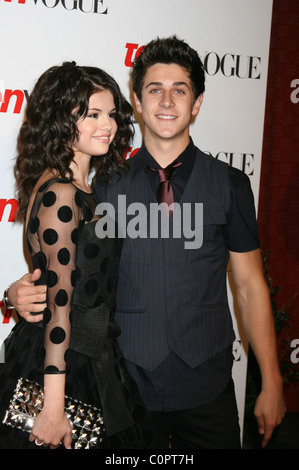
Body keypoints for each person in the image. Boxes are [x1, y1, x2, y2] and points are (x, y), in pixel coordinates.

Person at [5, 36, 285, 449]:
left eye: (180, 90)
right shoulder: (102, 185)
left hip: (206, 385)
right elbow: (68, 265)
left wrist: (272, 380)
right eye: (155, 89)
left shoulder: (230, 184)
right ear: (137, 101)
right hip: (124, 385)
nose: (167, 101)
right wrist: (18, 291)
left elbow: (249, 285)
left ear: (198, 102)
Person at [0, 62, 151, 449]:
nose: (108, 125)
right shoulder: (61, 193)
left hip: (91, 355)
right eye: (92, 114)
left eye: (112, 114)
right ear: (61, 122)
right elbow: (59, 305)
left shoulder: (81, 187)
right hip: (63, 362)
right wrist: (53, 408)